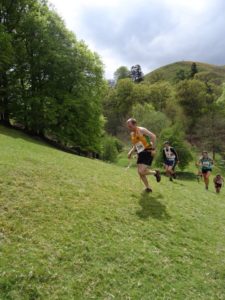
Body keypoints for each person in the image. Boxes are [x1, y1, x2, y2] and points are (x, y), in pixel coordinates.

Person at [127, 118, 161, 193]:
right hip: (140, 152)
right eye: (128, 126)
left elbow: (153, 136)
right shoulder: (132, 134)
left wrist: (153, 149)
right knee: (140, 172)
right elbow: (135, 145)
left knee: (141, 171)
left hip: (148, 151)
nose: (129, 128)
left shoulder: (142, 130)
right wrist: (130, 152)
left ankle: (155, 172)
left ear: (135, 124)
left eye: (130, 126)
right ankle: (148, 188)